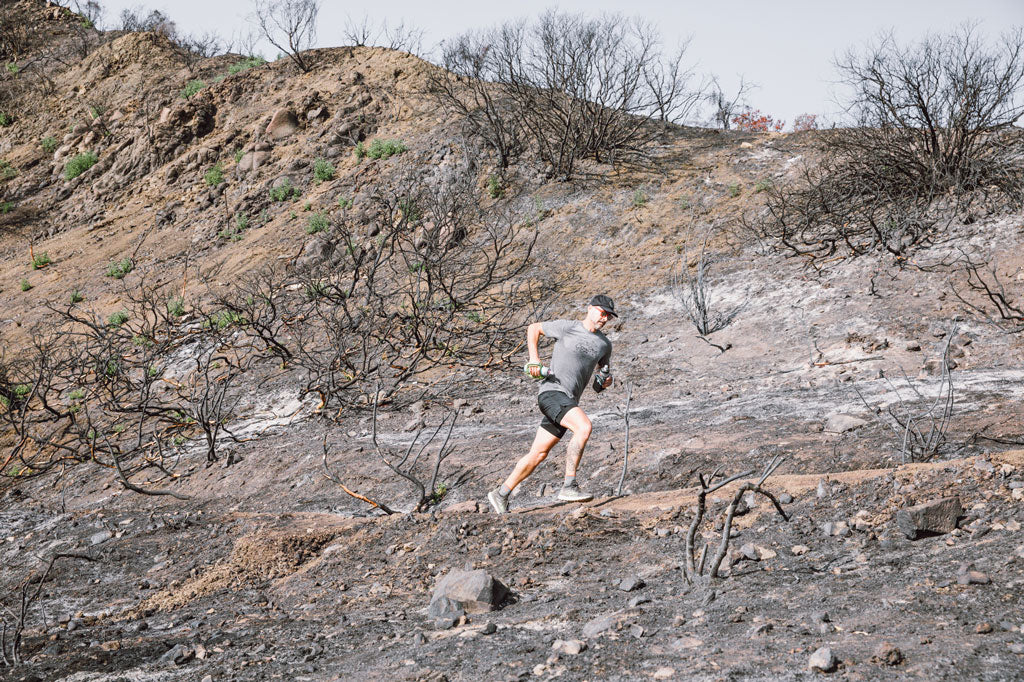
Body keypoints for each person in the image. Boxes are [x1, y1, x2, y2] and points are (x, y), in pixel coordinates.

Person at [487, 295, 616, 514]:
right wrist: (534, 359)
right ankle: (569, 485)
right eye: (602, 313)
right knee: (584, 427)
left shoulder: (604, 345)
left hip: (568, 402)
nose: (605, 319)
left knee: (538, 454)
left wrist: (605, 382)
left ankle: (501, 494)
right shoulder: (568, 328)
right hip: (552, 393)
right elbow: (533, 328)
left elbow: (597, 385)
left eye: (609, 316)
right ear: (590, 309)